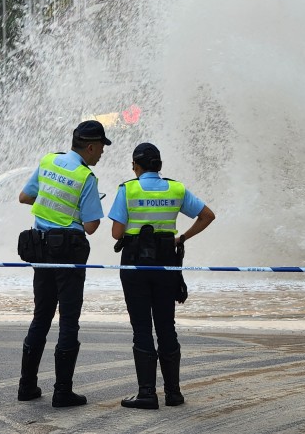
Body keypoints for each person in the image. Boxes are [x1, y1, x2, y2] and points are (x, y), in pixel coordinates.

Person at [109, 142, 216, 410]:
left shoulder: (127, 189)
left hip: (136, 264)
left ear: (136, 165)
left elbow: (115, 233)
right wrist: (181, 238)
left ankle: (147, 393)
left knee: (142, 327)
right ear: (159, 165)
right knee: (166, 325)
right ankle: (174, 393)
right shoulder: (176, 188)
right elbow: (207, 215)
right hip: (167, 262)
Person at [15, 120, 110, 407]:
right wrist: (75, 212)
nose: (102, 154)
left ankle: (27, 386)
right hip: (68, 254)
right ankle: (62, 391)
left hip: (41, 250)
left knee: (41, 316)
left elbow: (24, 197)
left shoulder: (48, 161)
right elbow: (92, 226)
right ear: (91, 147)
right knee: (68, 320)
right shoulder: (86, 177)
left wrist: (52, 202)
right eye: (101, 148)